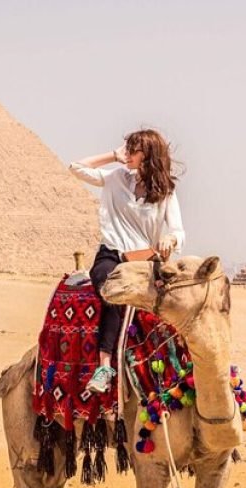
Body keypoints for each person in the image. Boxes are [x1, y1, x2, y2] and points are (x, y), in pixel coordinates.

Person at [68, 129, 185, 393]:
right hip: (111, 256)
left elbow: (178, 230)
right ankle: (104, 366)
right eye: (127, 149)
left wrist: (170, 240)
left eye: (133, 150)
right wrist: (112, 156)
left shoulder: (166, 192)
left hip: (144, 262)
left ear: (149, 155)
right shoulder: (115, 177)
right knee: (114, 289)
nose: (128, 154)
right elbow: (76, 167)